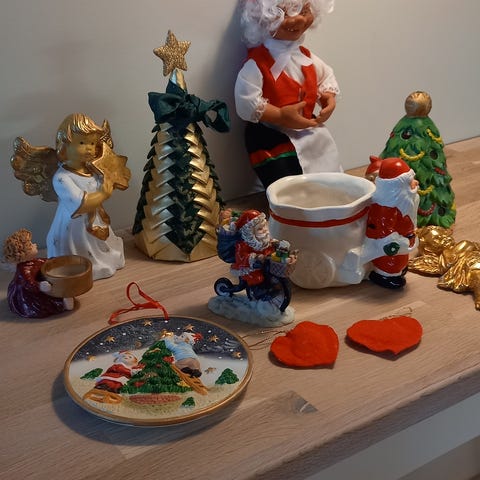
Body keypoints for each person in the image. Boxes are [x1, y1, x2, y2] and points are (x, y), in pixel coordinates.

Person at [235, 0, 341, 188]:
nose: (298, 19)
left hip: (308, 129)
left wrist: (328, 98)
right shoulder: (258, 63)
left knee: (324, 158)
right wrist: (280, 115)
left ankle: (327, 192)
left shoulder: (305, 56)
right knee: (285, 180)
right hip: (272, 135)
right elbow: (246, 101)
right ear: (263, 18)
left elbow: (325, 77)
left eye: (304, 11)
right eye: (285, 13)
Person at [47, 113, 126, 280]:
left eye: (92, 143)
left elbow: (103, 184)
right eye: (82, 143)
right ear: (64, 146)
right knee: (79, 251)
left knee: (101, 248)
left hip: (95, 220)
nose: (89, 148)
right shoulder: (62, 178)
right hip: (73, 227)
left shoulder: (93, 170)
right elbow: (80, 204)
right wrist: (103, 193)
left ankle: (101, 260)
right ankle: (82, 266)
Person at [363, 158, 419, 288]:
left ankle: (398, 269)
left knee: (401, 259)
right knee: (392, 263)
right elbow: (382, 232)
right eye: (410, 182)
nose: (415, 183)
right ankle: (385, 275)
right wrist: (399, 241)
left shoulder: (406, 200)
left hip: (405, 240)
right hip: (390, 248)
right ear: (398, 187)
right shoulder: (385, 207)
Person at [3, 229, 73, 318]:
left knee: (54, 290)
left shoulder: (34, 261)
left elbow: (43, 262)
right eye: (31, 245)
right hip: (29, 292)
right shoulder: (24, 270)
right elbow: (28, 283)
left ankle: (64, 300)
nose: (35, 244)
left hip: (40, 283)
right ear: (23, 253)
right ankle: (63, 305)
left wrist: (53, 261)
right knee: (40, 303)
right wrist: (39, 286)